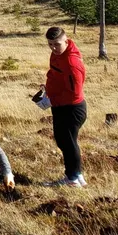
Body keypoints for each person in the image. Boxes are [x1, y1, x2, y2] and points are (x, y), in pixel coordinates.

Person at [45, 26, 87, 187]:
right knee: (65, 141)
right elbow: (54, 73)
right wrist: (48, 88)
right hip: (61, 106)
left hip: (71, 108)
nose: (54, 48)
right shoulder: (58, 55)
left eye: (57, 44)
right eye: (50, 44)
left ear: (66, 40)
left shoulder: (71, 63)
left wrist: (52, 99)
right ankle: (77, 176)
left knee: (68, 142)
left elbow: (74, 92)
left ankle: (73, 178)